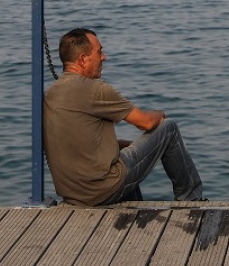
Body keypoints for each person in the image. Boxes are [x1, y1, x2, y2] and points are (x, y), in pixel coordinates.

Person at [43, 28, 205, 205]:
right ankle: (193, 200)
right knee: (169, 128)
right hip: (103, 190)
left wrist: (136, 147)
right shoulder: (94, 89)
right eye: (99, 52)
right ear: (83, 59)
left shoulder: (51, 94)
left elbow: (84, 146)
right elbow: (146, 123)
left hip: (75, 196)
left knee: (123, 156)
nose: (104, 57)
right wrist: (160, 115)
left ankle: (134, 212)